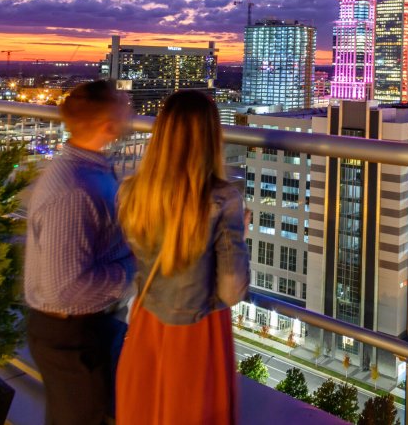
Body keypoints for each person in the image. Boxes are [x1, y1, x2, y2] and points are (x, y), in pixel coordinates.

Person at [115, 90, 250, 425]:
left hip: (146, 324)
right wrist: (239, 239)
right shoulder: (222, 199)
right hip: (199, 334)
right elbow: (232, 290)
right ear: (211, 137)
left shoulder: (132, 191)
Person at [25, 79, 136, 425]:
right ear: (108, 125)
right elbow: (66, 288)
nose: (132, 112)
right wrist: (135, 267)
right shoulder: (73, 191)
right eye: (124, 106)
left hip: (85, 329)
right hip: (74, 339)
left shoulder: (86, 170)